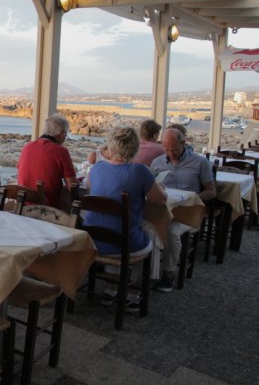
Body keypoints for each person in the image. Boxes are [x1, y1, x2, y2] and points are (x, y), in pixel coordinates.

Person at [84, 125, 167, 308]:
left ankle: (110, 289)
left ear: (110, 147)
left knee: (119, 228)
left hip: (94, 241)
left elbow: (90, 187)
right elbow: (160, 201)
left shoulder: (96, 168)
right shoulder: (139, 171)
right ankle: (135, 293)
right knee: (150, 234)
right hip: (122, 245)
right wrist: (160, 188)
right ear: (135, 148)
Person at [150, 127, 216, 292]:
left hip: (188, 211)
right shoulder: (157, 162)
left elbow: (212, 191)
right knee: (144, 225)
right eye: (167, 149)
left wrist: (191, 199)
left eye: (175, 149)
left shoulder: (200, 162)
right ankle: (146, 271)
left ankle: (168, 273)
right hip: (164, 209)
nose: (171, 153)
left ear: (183, 143)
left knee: (171, 231)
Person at [17, 113, 76, 210]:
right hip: (47, 210)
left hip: (23, 207)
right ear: (62, 133)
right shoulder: (61, 152)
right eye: (66, 135)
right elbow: (72, 186)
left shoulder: (27, 147)